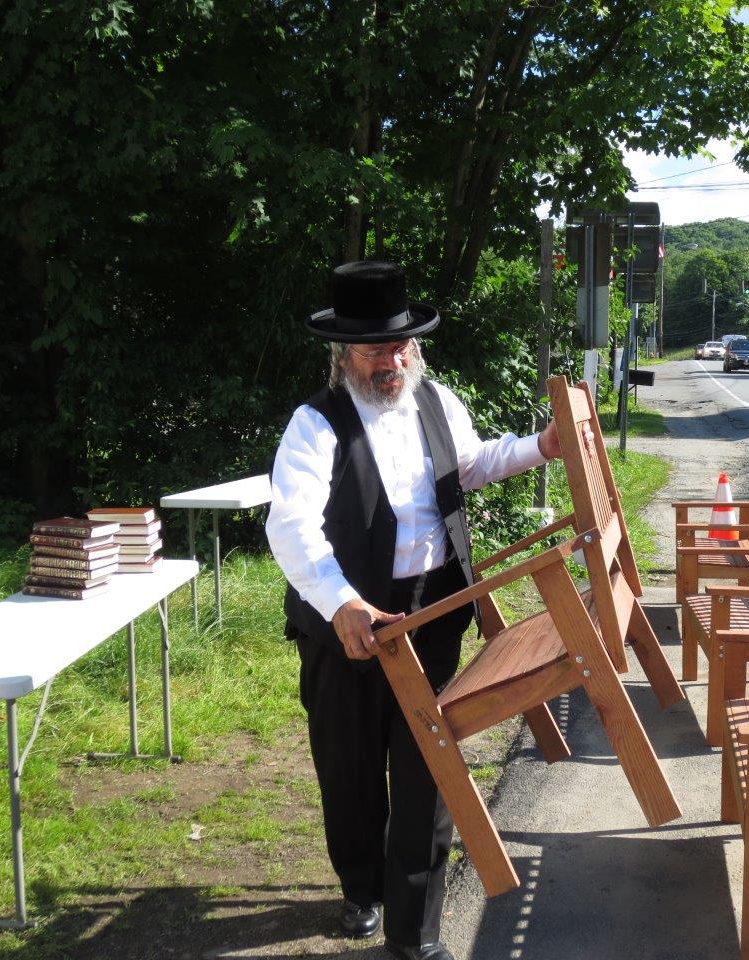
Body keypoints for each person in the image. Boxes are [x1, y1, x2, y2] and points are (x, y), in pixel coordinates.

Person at [266, 260, 560, 960]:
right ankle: (362, 889)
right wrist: (341, 603)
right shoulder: (314, 424)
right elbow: (291, 525)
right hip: (347, 625)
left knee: (429, 767)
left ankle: (416, 930)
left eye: (399, 347)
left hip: (431, 616)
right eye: (372, 350)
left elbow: (473, 464)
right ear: (344, 356)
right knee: (352, 768)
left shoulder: (439, 401)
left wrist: (542, 448)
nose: (390, 361)